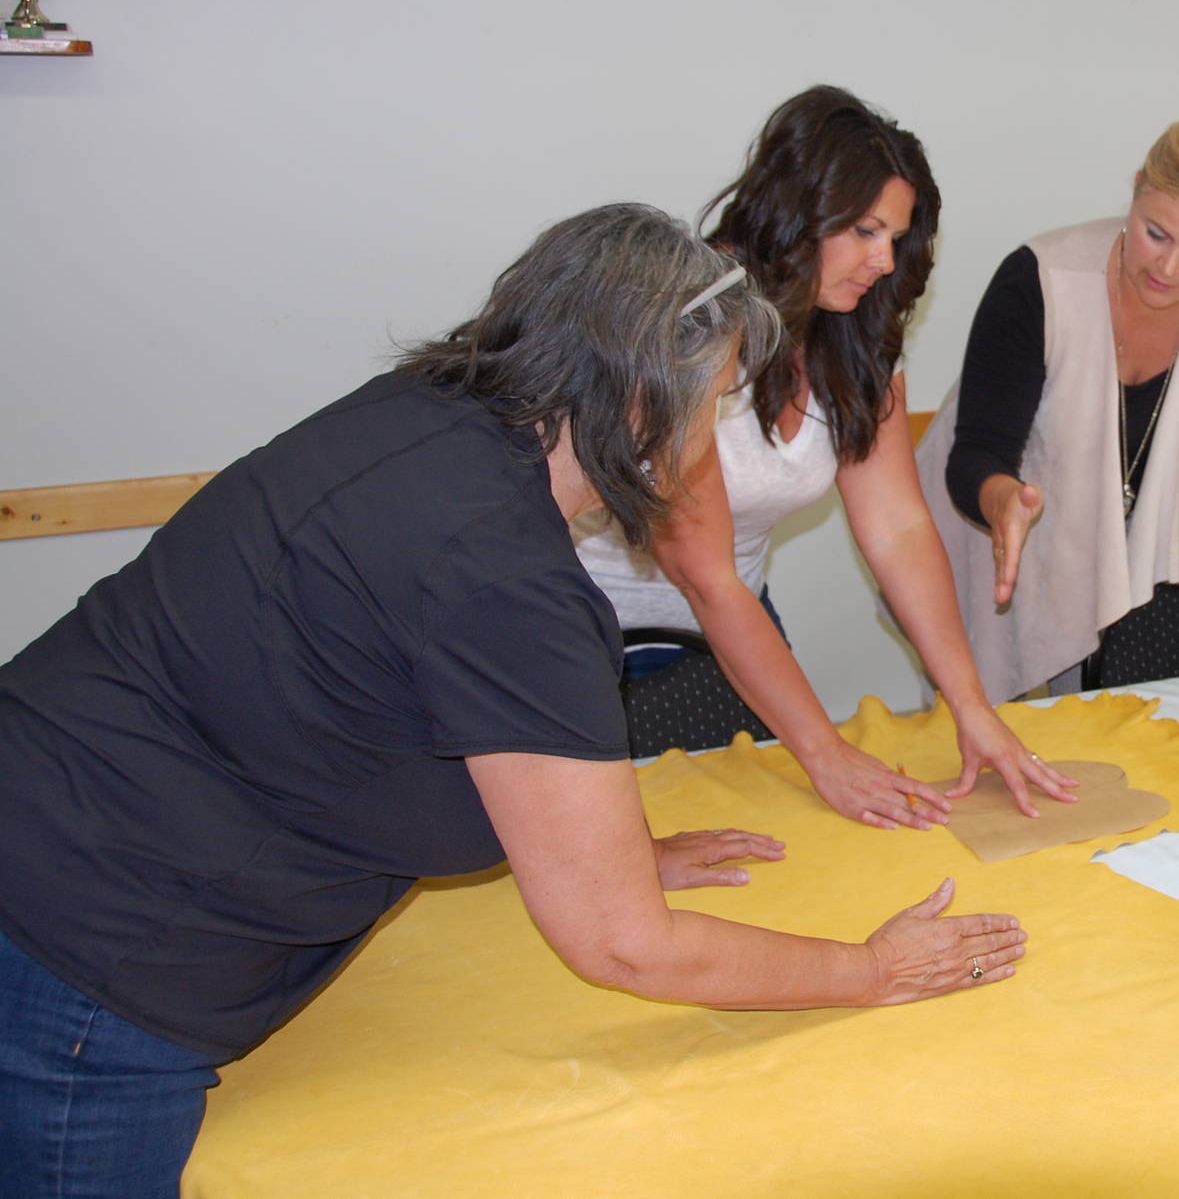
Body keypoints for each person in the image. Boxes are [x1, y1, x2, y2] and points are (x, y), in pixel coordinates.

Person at [0, 205, 1028, 1199]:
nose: (707, 443)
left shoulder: (417, 415)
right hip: (90, 947)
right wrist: (867, 970)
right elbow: (622, 944)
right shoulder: (511, 579)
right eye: (710, 405)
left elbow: (361, 702)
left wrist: (599, 851)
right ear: (639, 402)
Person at [575, 87, 1076, 822]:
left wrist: (971, 705)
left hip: (735, 616)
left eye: (897, 237)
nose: (883, 259)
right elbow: (701, 573)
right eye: (865, 230)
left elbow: (898, 527)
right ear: (796, 211)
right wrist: (825, 751)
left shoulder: (852, 332)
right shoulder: (689, 319)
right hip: (585, 619)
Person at [916, 117, 1179, 718]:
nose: (1168, 268)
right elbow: (977, 453)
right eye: (1155, 233)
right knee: (984, 730)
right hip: (992, 536)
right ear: (1137, 188)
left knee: (1091, 745)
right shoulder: (1040, 279)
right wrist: (1001, 498)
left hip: (1118, 538)